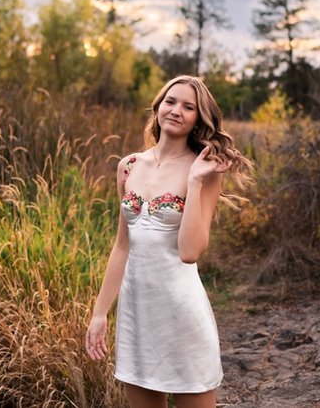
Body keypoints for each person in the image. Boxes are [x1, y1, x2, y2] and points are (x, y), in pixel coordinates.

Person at [85, 75, 253, 408]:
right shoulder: (128, 166)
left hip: (181, 313)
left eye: (188, 107)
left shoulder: (205, 170)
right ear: (158, 106)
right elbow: (122, 246)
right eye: (170, 101)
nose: (176, 111)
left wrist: (193, 183)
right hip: (137, 317)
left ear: (198, 119)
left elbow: (190, 252)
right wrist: (100, 313)